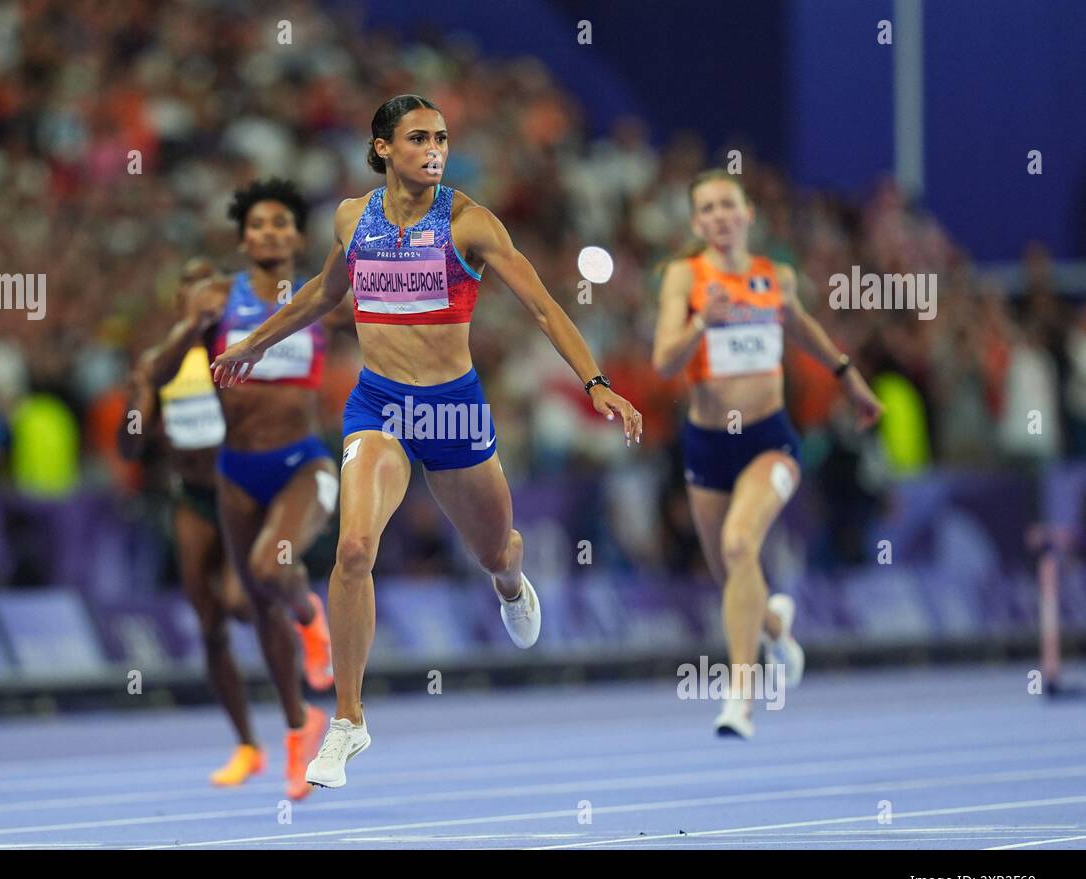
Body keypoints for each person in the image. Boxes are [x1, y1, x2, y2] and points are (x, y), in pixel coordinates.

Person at [212, 94, 643, 788]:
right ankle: (348, 720)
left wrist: (595, 382)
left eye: (442, 136)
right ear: (383, 147)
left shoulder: (470, 224)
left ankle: (509, 582)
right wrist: (255, 343)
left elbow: (541, 303)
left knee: (495, 549)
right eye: (418, 138)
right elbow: (324, 296)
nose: (435, 148)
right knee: (354, 547)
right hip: (379, 405)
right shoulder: (354, 218)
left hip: (453, 412)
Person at [653, 169, 884, 738]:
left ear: (748, 213)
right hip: (707, 445)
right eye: (706, 209)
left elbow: (799, 326)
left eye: (728, 205)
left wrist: (849, 378)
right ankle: (776, 624)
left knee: (739, 545)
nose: (719, 217)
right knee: (731, 572)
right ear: (696, 222)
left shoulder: (774, 276)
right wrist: (703, 321)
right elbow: (663, 362)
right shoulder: (684, 277)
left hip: (769, 440)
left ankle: (740, 698)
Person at [126, 245, 329, 801]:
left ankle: (300, 673)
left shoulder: (232, 347)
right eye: (191, 287)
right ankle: (247, 745)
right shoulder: (165, 357)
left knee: (247, 600)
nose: (202, 295)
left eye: (211, 286)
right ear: (179, 301)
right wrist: (141, 410)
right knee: (210, 622)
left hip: (235, 489)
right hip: (191, 498)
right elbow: (130, 437)